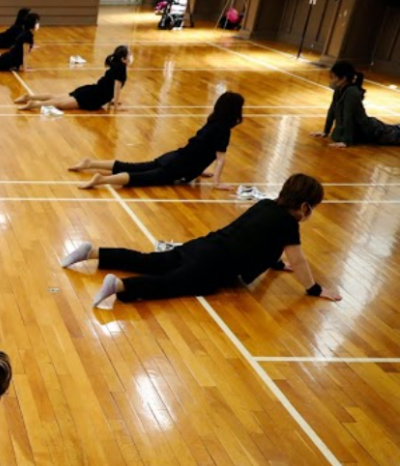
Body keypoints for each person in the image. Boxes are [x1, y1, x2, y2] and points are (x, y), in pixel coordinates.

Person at [60, 174, 342, 306]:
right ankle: (120, 285)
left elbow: (258, 239)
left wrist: (276, 265)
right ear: (305, 207)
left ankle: (93, 252)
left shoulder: (267, 205)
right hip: (214, 265)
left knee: (151, 260)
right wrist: (315, 289)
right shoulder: (288, 224)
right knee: (172, 284)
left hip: (203, 245)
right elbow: (298, 258)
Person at [71, 91, 244, 189]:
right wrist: (217, 183)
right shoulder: (224, 129)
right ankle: (102, 180)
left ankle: (91, 163)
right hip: (180, 166)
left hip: (175, 156)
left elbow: (201, 148)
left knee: (135, 166)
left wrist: (198, 171)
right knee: (141, 178)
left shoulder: (212, 121)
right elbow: (220, 159)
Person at [311, 61, 400, 148]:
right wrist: (325, 132)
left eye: (334, 77)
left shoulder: (351, 92)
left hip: (372, 131)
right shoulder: (338, 90)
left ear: (344, 78)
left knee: (396, 133)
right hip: (363, 131)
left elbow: (348, 116)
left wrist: (346, 141)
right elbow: (332, 110)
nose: (332, 81)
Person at [14, 45, 130, 111]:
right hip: (93, 97)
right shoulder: (121, 70)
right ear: (123, 59)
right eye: (129, 55)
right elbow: (116, 88)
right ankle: (33, 104)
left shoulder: (116, 66)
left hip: (90, 90)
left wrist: (112, 101)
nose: (131, 57)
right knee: (60, 104)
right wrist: (115, 107)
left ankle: (30, 97)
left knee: (57, 97)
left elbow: (108, 86)